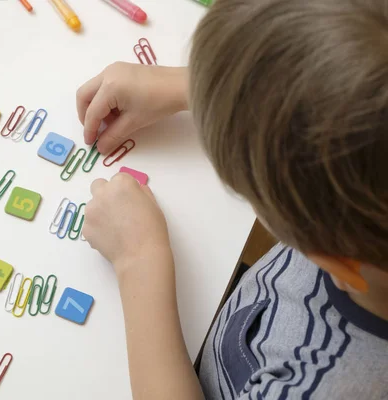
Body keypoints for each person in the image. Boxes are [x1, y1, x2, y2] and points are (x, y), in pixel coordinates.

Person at [76, 0, 388, 399]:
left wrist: (140, 260)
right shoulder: (361, 227)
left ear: (334, 260)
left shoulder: (321, 387)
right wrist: (209, 88)